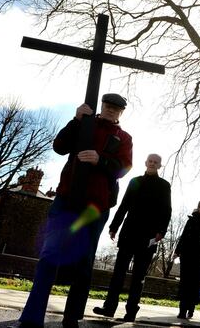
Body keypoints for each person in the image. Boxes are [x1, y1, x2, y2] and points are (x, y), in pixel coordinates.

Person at [18, 94, 133, 328]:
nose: (111, 111)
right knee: (49, 256)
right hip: (66, 199)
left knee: (84, 262)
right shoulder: (84, 123)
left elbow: (124, 168)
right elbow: (59, 147)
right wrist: (75, 119)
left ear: (121, 113)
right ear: (101, 106)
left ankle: (72, 318)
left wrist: (100, 160)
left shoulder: (124, 138)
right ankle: (31, 318)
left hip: (96, 206)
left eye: (116, 109)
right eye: (108, 106)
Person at [93, 153, 171, 322]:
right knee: (118, 273)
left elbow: (167, 210)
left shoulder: (164, 186)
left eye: (156, 162)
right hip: (129, 232)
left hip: (149, 235)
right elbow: (124, 205)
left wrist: (161, 231)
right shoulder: (134, 181)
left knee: (138, 277)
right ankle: (109, 308)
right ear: (146, 162)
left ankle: (131, 312)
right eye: (150, 161)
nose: (152, 163)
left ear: (159, 166)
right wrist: (114, 226)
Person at [175, 199, 200, 319]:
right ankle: (182, 309)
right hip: (187, 252)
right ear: (198, 208)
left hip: (199, 253)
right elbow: (184, 234)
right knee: (185, 281)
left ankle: (191, 308)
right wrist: (177, 250)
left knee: (194, 282)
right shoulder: (191, 220)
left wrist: (196, 215)